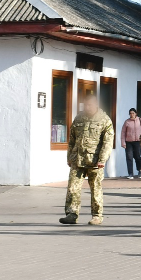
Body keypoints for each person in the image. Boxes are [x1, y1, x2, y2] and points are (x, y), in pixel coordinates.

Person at [60, 95, 115, 225]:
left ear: (96, 104)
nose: (87, 107)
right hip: (78, 159)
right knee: (73, 187)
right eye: (85, 105)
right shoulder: (79, 118)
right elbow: (72, 139)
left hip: (95, 161)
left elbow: (108, 142)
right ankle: (72, 214)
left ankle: (97, 215)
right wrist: (69, 157)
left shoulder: (104, 120)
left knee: (95, 188)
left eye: (89, 105)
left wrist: (102, 159)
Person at [120, 108, 141, 179]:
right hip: (129, 142)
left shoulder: (140, 120)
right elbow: (123, 132)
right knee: (129, 157)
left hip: (138, 142)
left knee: (137, 157)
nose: (131, 115)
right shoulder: (127, 122)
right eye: (130, 113)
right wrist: (123, 143)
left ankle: (140, 170)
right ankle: (130, 173)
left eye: (133, 113)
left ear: (136, 114)